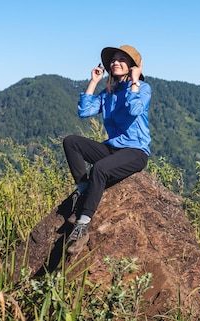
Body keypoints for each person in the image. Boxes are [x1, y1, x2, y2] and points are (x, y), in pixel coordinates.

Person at [63, 45, 151, 254]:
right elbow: (85, 112)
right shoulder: (109, 92)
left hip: (135, 151)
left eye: (122, 59)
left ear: (132, 66)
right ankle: (84, 191)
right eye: (113, 60)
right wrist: (94, 81)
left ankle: (82, 225)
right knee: (71, 141)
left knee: (100, 169)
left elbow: (134, 110)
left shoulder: (143, 89)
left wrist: (135, 82)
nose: (115, 62)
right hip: (113, 148)